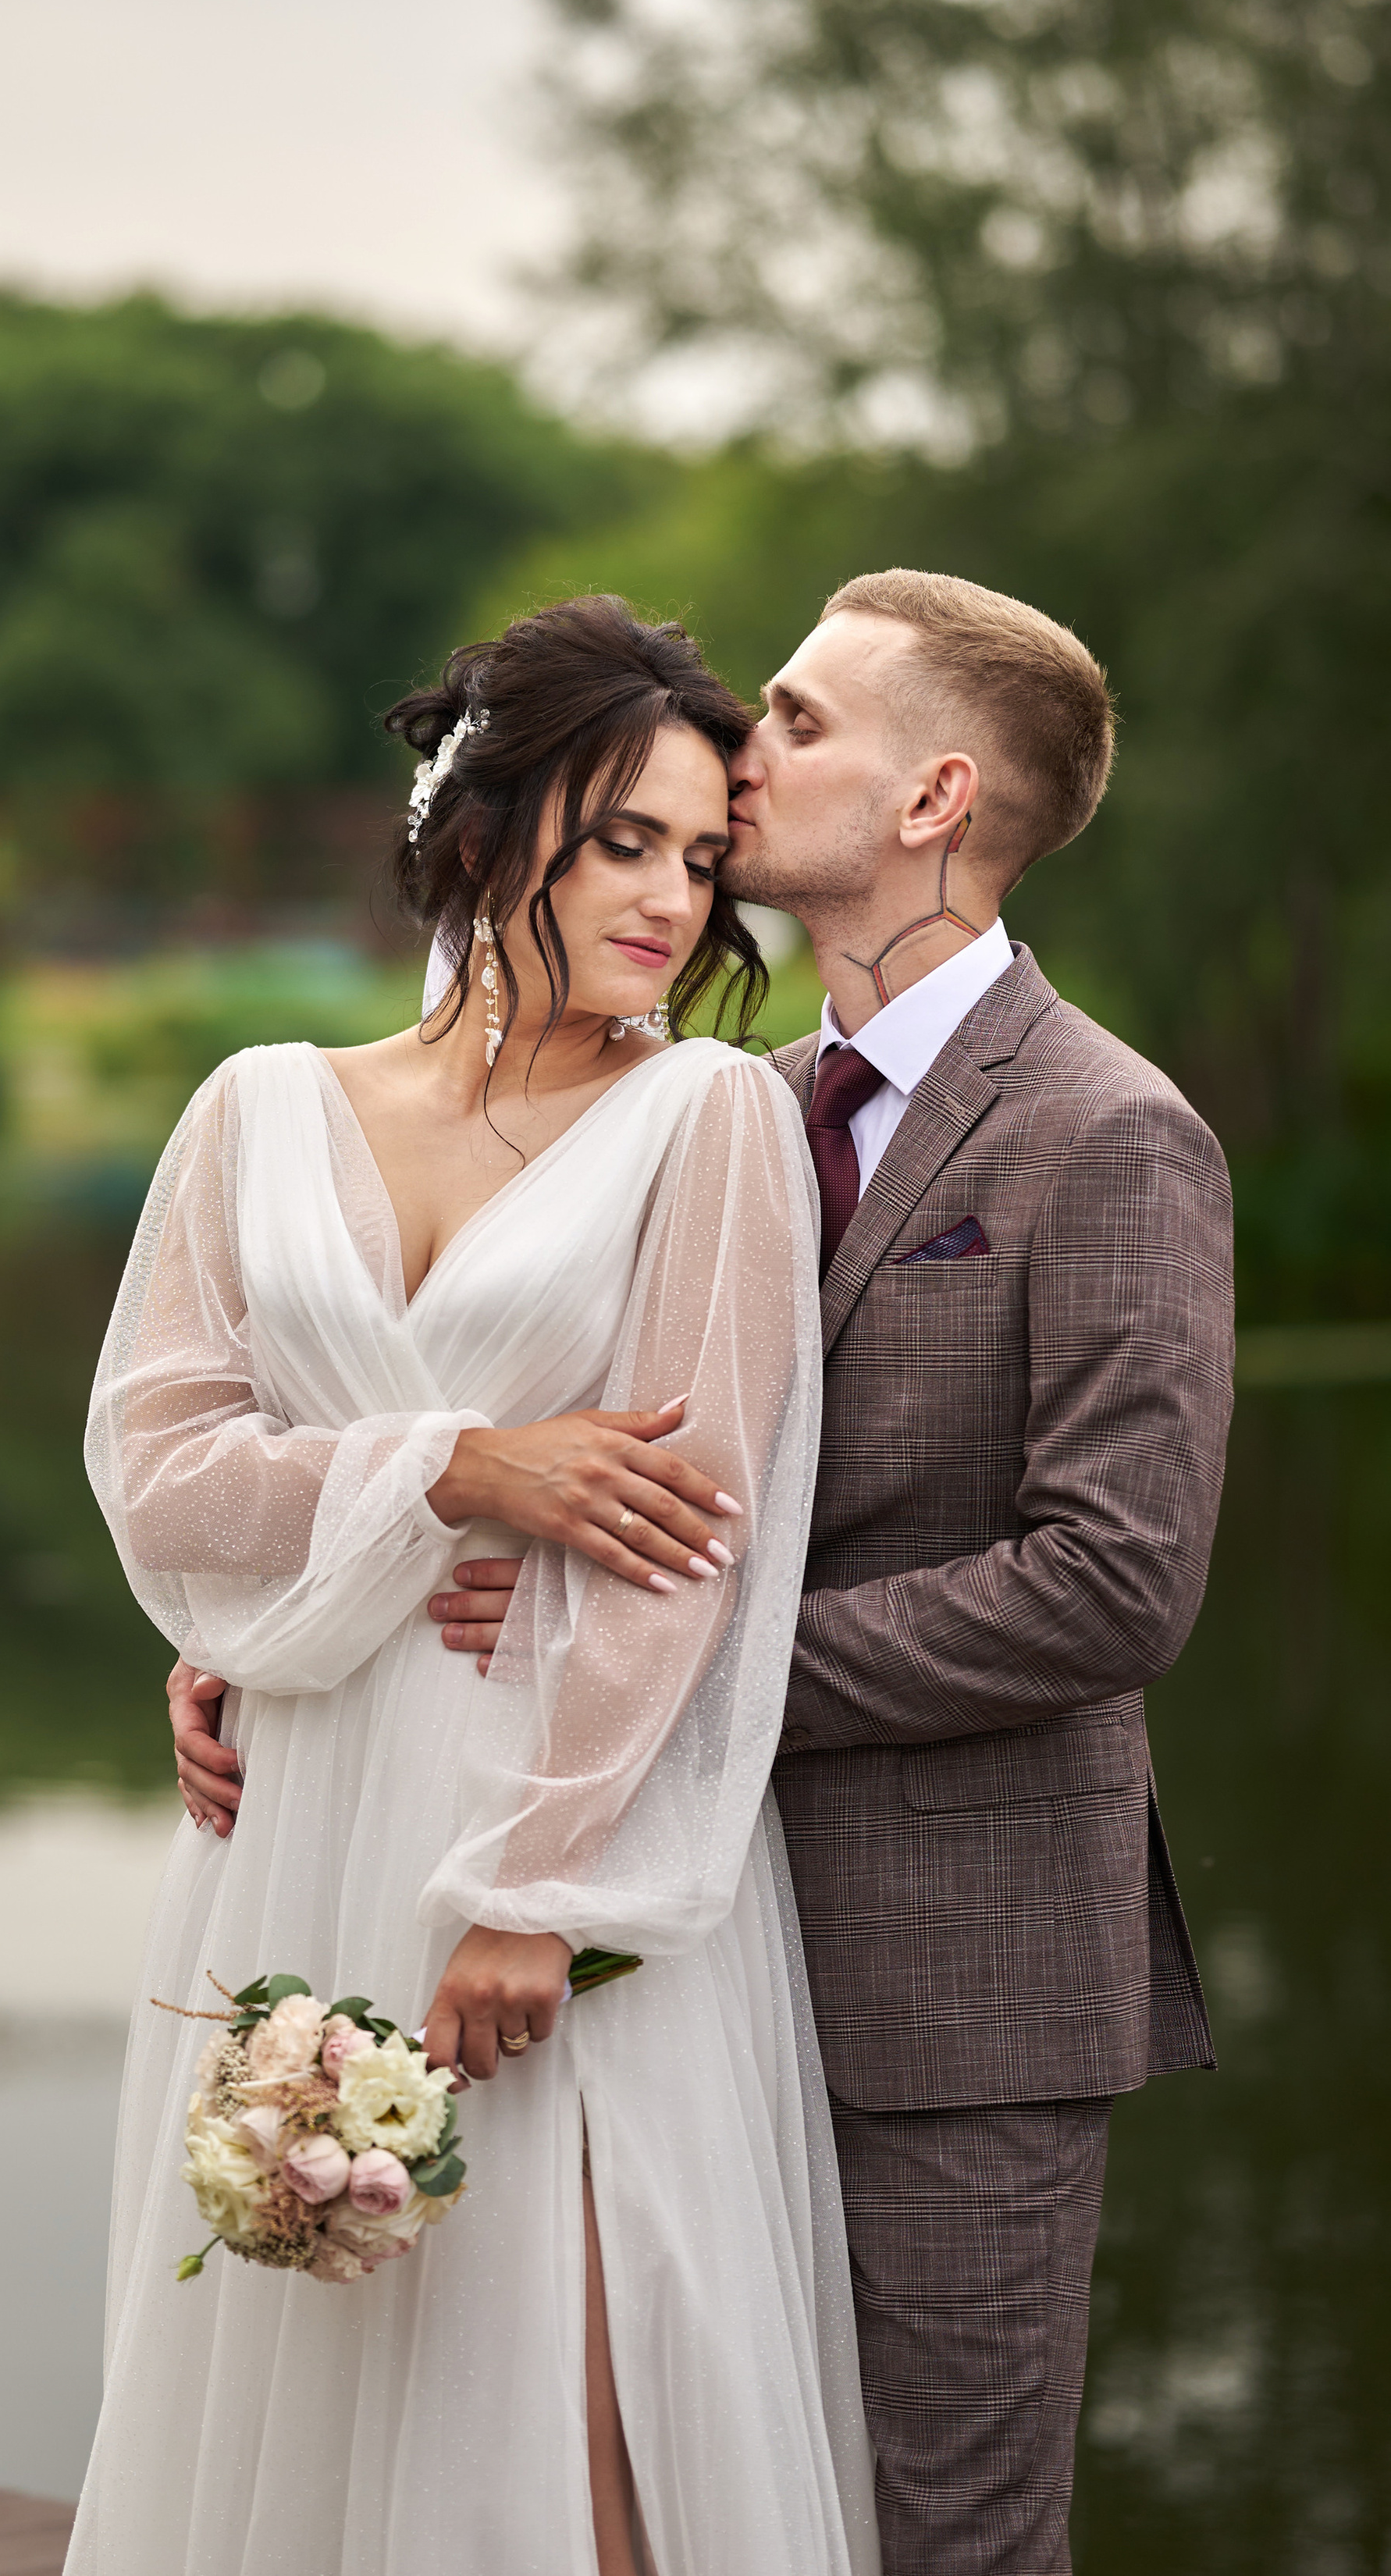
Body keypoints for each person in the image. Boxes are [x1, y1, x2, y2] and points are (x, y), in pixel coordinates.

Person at [176, 568, 1236, 2576]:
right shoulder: (718, 1111)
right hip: (674, 1955)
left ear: (932, 799)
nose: (748, 756)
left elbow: (1110, 1585)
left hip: (954, 1976)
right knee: (691, 2502)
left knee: (939, 2533)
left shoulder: (1110, 1132)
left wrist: (675, 1663)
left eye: (800, 723)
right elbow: (558, 1459)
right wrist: (285, 1631)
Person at [73, 596, 880, 2576]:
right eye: (625, 839)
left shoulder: (707, 1115)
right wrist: (450, 1468)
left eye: (705, 860)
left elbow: (691, 1545)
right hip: (297, 1813)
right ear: (488, 819)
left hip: (549, 1833)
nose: (674, 903)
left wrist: (543, 1893)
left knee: (574, 2396)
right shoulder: (254, 1106)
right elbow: (156, 1471)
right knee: (310, 2383)